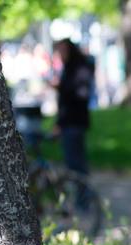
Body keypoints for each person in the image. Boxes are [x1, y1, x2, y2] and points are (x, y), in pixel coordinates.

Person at [51, 39, 95, 181]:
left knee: (76, 165)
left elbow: (78, 96)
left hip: (74, 121)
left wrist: (62, 88)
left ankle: (83, 198)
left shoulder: (79, 68)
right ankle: (82, 197)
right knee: (74, 163)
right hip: (71, 121)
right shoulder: (70, 68)